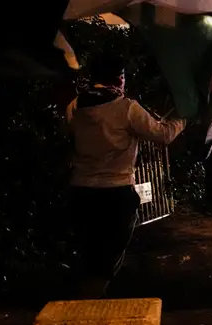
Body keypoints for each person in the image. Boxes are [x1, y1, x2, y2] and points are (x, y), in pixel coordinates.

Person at [66, 56, 186, 299]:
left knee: (89, 249)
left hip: (80, 189)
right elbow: (162, 134)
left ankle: (85, 294)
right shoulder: (126, 108)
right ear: (119, 79)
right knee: (110, 251)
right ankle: (92, 303)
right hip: (115, 192)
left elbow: (69, 136)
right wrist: (183, 118)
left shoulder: (75, 106)